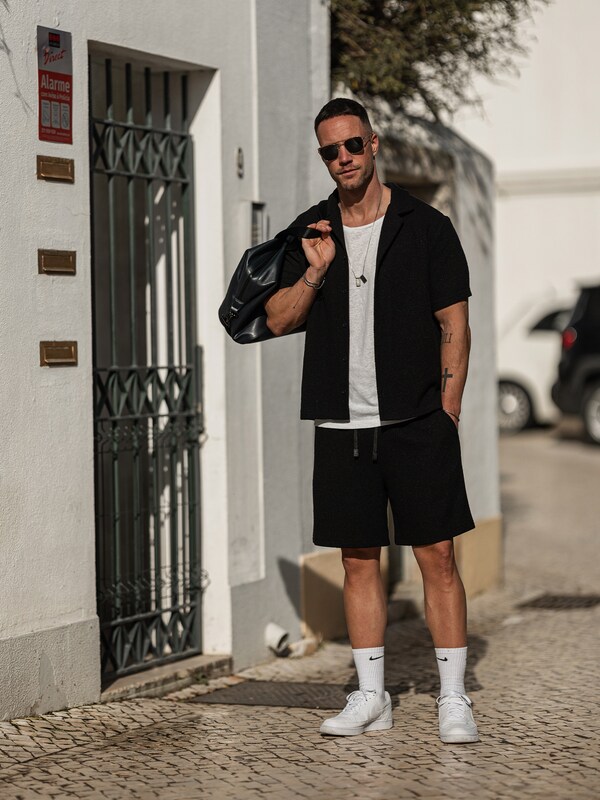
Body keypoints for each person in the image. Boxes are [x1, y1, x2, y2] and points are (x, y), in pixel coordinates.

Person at [264, 98, 478, 743]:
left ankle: (453, 697)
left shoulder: (427, 226)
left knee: (436, 555)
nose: (343, 159)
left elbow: (455, 325)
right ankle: (371, 696)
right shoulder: (313, 230)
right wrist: (315, 271)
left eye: (352, 145)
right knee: (358, 560)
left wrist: (446, 412)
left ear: (374, 143)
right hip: (342, 424)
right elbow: (277, 318)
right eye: (330, 151)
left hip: (417, 419)